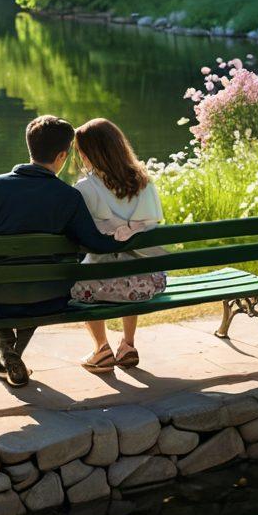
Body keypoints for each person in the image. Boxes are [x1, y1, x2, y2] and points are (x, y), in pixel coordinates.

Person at [0, 114, 133, 388]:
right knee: (34, 283)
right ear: (62, 155)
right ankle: (7, 358)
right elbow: (96, 243)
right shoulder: (69, 196)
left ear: (30, 146)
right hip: (50, 298)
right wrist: (129, 235)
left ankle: (7, 356)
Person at [72, 118, 166, 374]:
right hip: (146, 283)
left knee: (80, 276)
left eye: (80, 151)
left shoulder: (85, 188)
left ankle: (102, 348)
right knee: (131, 264)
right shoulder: (143, 181)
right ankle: (128, 345)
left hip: (100, 286)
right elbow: (151, 226)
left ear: (89, 153)